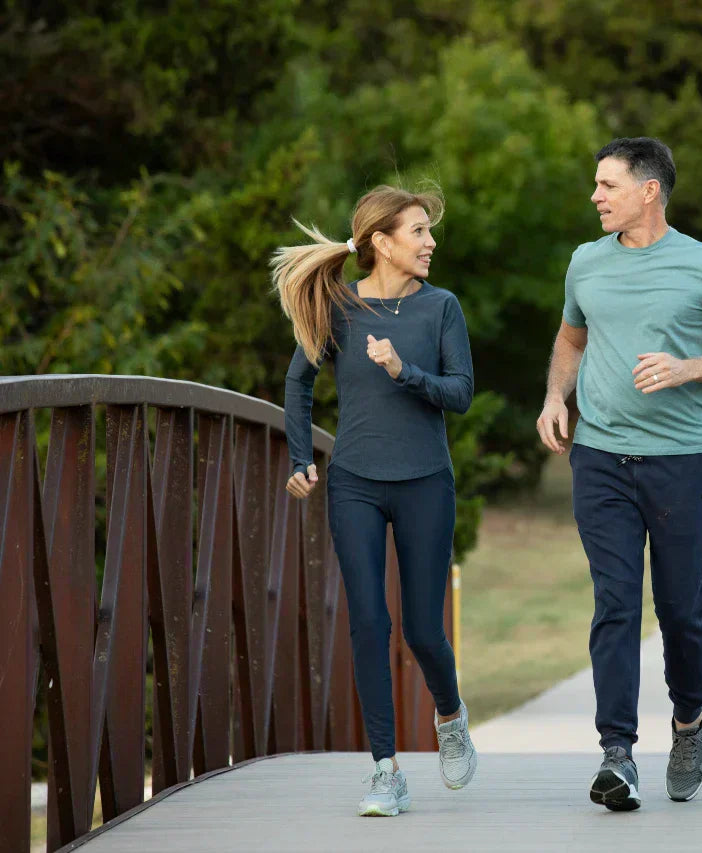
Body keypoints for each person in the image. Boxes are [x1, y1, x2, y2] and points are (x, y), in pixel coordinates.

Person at [537, 138, 702, 810]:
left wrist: (686, 367)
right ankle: (617, 753)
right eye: (595, 185)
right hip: (600, 458)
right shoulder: (585, 262)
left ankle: (688, 722)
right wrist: (555, 397)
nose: (594, 196)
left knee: (681, 610)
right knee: (614, 603)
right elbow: (570, 340)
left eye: (606, 185)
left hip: (679, 462)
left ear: (648, 190)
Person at [274, 184, 478, 817]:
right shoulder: (337, 309)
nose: (430, 242)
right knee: (367, 620)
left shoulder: (442, 307)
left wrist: (402, 373)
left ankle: (449, 715)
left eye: (428, 231)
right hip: (356, 482)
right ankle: (385, 770)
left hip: (424, 482)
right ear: (382, 243)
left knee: (421, 628)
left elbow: (461, 393)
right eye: (418, 231)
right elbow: (297, 384)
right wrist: (301, 458)